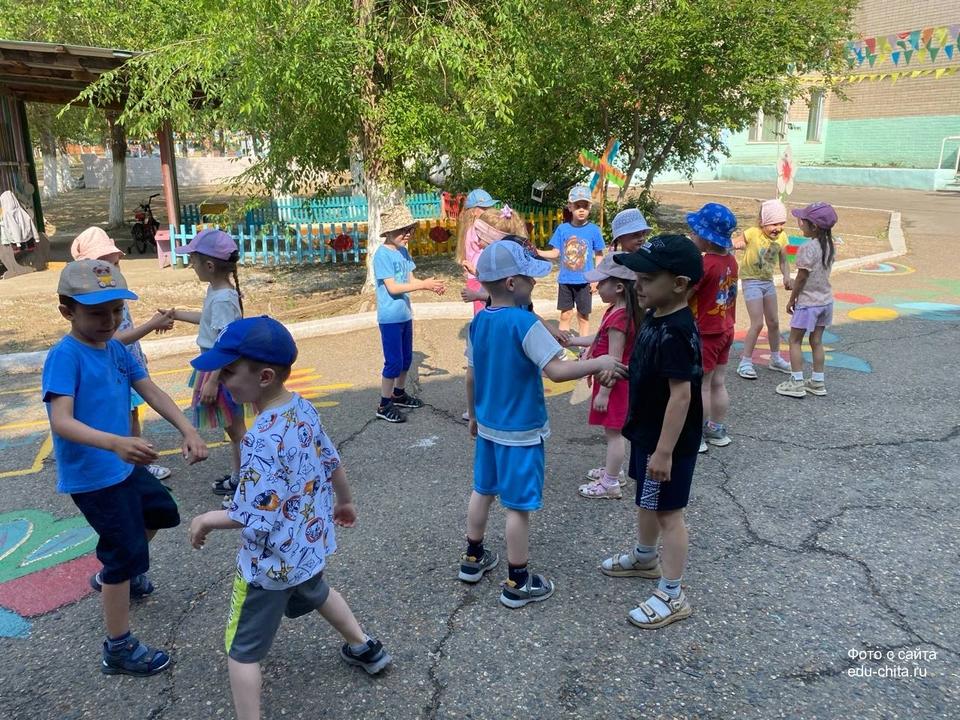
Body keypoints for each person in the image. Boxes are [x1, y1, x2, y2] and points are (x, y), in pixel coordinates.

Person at [188, 316, 391, 720]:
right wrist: (345, 501)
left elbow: (250, 514)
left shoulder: (260, 439)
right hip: (306, 547)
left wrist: (206, 519)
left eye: (228, 372)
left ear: (263, 377)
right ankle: (364, 647)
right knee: (318, 592)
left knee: (241, 652)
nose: (221, 381)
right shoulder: (302, 408)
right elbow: (330, 459)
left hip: (268, 566)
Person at [42, 260, 208, 675]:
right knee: (122, 551)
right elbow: (62, 421)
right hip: (94, 475)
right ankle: (118, 646)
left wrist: (188, 428)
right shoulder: (65, 357)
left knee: (160, 512)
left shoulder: (115, 348)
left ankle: (123, 573)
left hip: (123, 464)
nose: (110, 320)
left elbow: (150, 389)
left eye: (116, 310)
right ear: (67, 312)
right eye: (97, 313)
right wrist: (116, 442)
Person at [458, 241, 626, 608]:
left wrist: (473, 415)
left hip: (488, 427)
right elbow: (557, 370)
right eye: (530, 278)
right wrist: (599, 363)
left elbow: (471, 376)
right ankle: (518, 581)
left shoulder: (479, 322)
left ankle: (472, 558)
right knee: (517, 507)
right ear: (512, 283)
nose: (535, 283)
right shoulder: (524, 323)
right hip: (521, 431)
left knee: (482, 490)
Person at [597, 235, 703, 629]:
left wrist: (664, 452)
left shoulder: (677, 331)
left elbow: (681, 396)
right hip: (647, 434)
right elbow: (653, 371)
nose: (636, 285)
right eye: (636, 278)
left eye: (647, 279)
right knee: (647, 500)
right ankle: (645, 558)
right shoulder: (655, 315)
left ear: (679, 283)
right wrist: (624, 373)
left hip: (667, 443)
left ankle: (673, 594)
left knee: (668, 513)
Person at [70, 227, 176, 481]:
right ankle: (128, 465)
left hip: (128, 363)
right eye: (103, 266)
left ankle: (135, 464)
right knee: (119, 415)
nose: (112, 271)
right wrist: (151, 325)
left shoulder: (116, 295)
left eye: (115, 264)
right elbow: (113, 340)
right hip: (110, 367)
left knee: (132, 412)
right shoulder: (93, 304)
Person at [171, 229, 248, 498]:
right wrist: (176, 314)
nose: (191, 265)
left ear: (210, 265)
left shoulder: (224, 298)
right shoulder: (216, 291)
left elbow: (226, 344)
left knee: (237, 432)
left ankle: (246, 483)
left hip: (221, 371)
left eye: (193, 260)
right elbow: (207, 320)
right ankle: (240, 477)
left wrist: (213, 381)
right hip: (215, 368)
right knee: (234, 430)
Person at [564, 253, 642, 499]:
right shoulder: (617, 310)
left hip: (614, 385)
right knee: (613, 433)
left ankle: (610, 483)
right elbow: (599, 338)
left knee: (614, 434)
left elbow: (614, 360)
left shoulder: (620, 318)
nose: (595, 287)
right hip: (613, 383)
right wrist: (573, 340)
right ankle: (614, 470)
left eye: (601, 282)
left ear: (618, 287)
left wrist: (604, 394)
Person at [373, 204, 445, 423]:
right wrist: (423, 285)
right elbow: (393, 287)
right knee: (393, 362)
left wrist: (430, 285)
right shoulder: (382, 255)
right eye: (402, 230)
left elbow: (411, 280)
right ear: (389, 232)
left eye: (410, 230)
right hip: (390, 318)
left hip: (404, 314)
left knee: (406, 359)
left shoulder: (403, 252)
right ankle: (384, 405)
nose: (408, 234)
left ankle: (399, 393)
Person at [686, 203, 739, 451]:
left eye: (695, 232)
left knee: (701, 385)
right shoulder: (731, 261)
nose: (691, 235)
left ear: (707, 238)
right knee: (718, 382)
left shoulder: (705, 264)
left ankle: (696, 436)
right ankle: (716, 429)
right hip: (726, 329)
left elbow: (686, 295)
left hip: (706, 332)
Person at [776, 202, 838, 398]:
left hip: (808, 303)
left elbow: (802, 278)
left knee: (794, 340)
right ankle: (818, 382)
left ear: (815, 226)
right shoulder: (830, 246)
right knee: (816, 341)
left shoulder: (807, 248)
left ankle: (796, 382)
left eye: (803, 220)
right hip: (825, 302)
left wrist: (792, 298)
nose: (800, 223)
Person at [732, 200, 793, 379]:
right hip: (751, 282)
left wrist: (787, 276)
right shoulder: (752, 233)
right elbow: (733, 244)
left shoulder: (782, 237)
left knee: (774, 322)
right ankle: (745, 362)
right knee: (757, 323)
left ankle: (775, 359)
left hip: (767, 282)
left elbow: (784, 260)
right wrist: (736, 246)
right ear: (762, 222)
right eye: (774, 224)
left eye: (781, 223)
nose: (778, 228)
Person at [538, 186, 607, 337]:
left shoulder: (594, 230)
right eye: (577, 206)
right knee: (565, 315)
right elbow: (555, 253)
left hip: (585, 282)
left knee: (583, 317)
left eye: (585, 206)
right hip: (565, 281)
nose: (581, 210)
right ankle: (563, 343)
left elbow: (599, 255)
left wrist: (596, 278)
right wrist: (537, 252)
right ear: (570, 207)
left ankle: (584, 347)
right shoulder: (562, 229)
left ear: (590, 207)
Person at [455, 188, 497, 315]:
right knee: (485, 312)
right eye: (484, 208)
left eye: (489, 207)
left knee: (483, 312)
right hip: (480, 277)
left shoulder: (469, 228)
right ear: (473, 211)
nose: (489, 211)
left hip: (476, 276)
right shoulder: (477, 229)